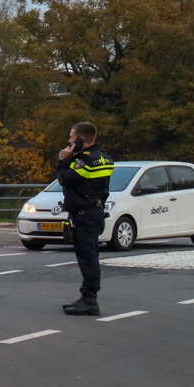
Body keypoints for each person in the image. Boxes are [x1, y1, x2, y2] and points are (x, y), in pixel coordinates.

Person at [55, 120, 113, 316]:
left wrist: (63, 159)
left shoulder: (85, 160)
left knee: (87, 258)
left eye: (71, 138)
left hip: (85, 214)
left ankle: (90, 300)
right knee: (90, 256)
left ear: (81, 139)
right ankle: (86, 297)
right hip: (94, 211)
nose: (69, 141)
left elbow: (65, 179)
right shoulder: (104, 157)